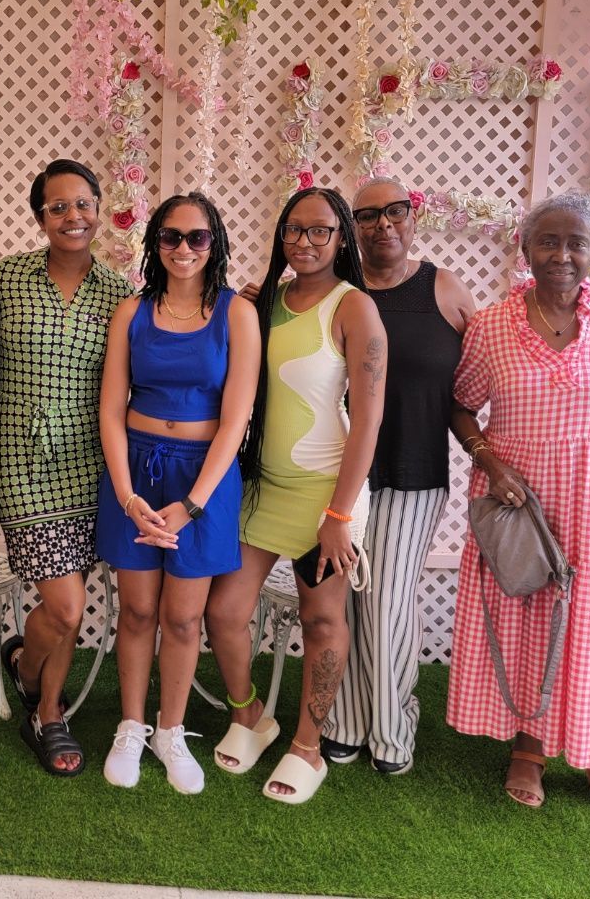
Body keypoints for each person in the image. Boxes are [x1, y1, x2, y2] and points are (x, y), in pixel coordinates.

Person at [448, 192, 590, 833]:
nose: (562, 255)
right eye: (548, 242)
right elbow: (461, 406)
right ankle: (529, 747)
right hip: (520, 501)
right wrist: (491, 464)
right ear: (525, 250)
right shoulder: (492, 325)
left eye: (576, 243)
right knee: (527, 616)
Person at [204, 187, 386, 804]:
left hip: (326, 496)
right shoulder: (264, 304)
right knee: (224, 612)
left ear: (342, 239)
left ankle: (308, 745)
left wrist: (340, 513)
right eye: (293, 231)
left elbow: (368, 418)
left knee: (321, 619)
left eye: (320, 231)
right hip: (265, 488)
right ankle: (253, 713)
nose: (304, 242)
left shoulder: (354, 307)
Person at [95, 191, 259, 796]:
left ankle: (171, 729)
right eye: (170, 237)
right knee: (138, 610)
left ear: (214, 243)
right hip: (135, 473)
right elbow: (111, 410)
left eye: (196, 237)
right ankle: (132, 725)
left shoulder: (237, 313)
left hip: (203, 479)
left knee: (184, 617)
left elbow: (236, 418)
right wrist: (126, 492)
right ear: (154, 244)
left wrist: (191, 504)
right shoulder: (131, 312)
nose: (183, 248)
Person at [315, 179, 475, 774]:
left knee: (385, 603)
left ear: (413, 217)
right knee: (344, 602)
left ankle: (390, 730)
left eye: (396, 212)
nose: (384, 225)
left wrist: (487, 450)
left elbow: (484, 373)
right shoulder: (336, 293)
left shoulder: (443, 288)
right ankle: (347, 724)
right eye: (368, 216)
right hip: (338, 477)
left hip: (412, 474)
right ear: (352, 227)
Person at [0, 160, 132, 777]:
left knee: (67, 596)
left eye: (83, 204)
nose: (73, 217)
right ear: (40, 216)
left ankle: (34, 683)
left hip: (90, 459)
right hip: (19, 452)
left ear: (99, 208)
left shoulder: (120, 292)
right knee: (68, 605)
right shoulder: (7, 278)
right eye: (58, 207)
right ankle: (47, 711)